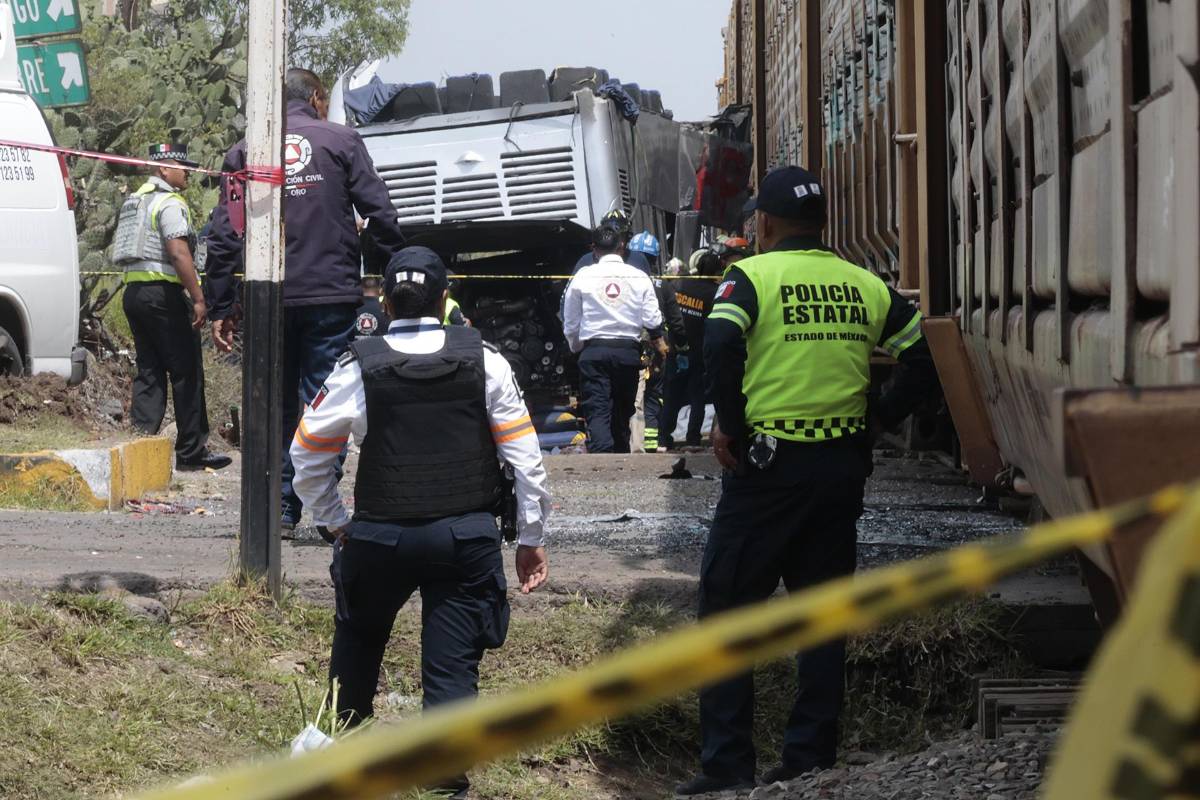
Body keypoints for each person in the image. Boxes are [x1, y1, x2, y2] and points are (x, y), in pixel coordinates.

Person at [677, 166, 940, 795]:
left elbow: (718, 343)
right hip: (839, 468)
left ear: (763, 224)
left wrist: (730, 426)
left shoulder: (752, 276)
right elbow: (923, 357)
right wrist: (878, 418)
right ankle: (810, 759)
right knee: (822, 615)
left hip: (767, 469)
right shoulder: (864, 284)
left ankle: (727, 767)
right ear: (823, 225)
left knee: (726, 608)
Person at [290, 247, 551, 799]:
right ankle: (443, 785)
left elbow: (308, 457)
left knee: (357, 652)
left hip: (379, 537)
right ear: (444, 298)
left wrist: (338, 524)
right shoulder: (486, 359)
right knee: (453, 672)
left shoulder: (358, 363)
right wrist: (530, 539)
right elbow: (527, 461)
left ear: (384, 300)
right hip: (465, 539)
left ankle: (339, 764)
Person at [205, 67, 407, 530]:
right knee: (324, 401)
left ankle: (281, 509)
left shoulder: (244, 152)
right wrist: (400, 269)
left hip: (264, 299)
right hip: (329, 295)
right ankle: (321, 503)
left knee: (274, 403)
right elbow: (380, 212)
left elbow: (223, 235)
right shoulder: (341, 141)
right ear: (317, 97)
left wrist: (220, 305)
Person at [113, 143, 230, 472]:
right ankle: (192, 452)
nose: (189, 171)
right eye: (183, 165)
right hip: (163, 295)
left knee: (149, 371)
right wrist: (198, 298)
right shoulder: (170, 202)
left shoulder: (136, 199)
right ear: (164, 168)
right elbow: (178, 253)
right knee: (187, 372)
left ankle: (141, 448)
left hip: (134, 293)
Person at [563, 225, 667, 453]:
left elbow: (571, 321)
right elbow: (652, 318)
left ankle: (603, 457)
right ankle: (619, 456)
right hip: (628, 353)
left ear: (594, 249)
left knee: (598, 408)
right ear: (621, 246)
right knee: (623, 409)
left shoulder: (583, 276)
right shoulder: (639, 276)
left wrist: (576, 347)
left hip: (594, 352)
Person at [628, 231, 687, 453]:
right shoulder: (664, 285)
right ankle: (653, 443)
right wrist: (682, 349)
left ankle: (630, 442)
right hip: (657, 352)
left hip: (630, 348)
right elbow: (677, 323)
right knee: (654, 397)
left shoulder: (622, 282)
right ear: (654, 259)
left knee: (629, 397)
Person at [660, 248, 722, 450]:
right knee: (697, 398)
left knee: (671, 396)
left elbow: (669, 314)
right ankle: (693, 437)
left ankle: (664, 438)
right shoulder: (715, 294)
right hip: (699, 354)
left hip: (675, 350)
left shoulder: (679, 285)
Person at [573, 209, 652, 274]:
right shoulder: (585, 262)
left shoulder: (638, 260)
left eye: (622, 236)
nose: (621, 243)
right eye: (612, 235)